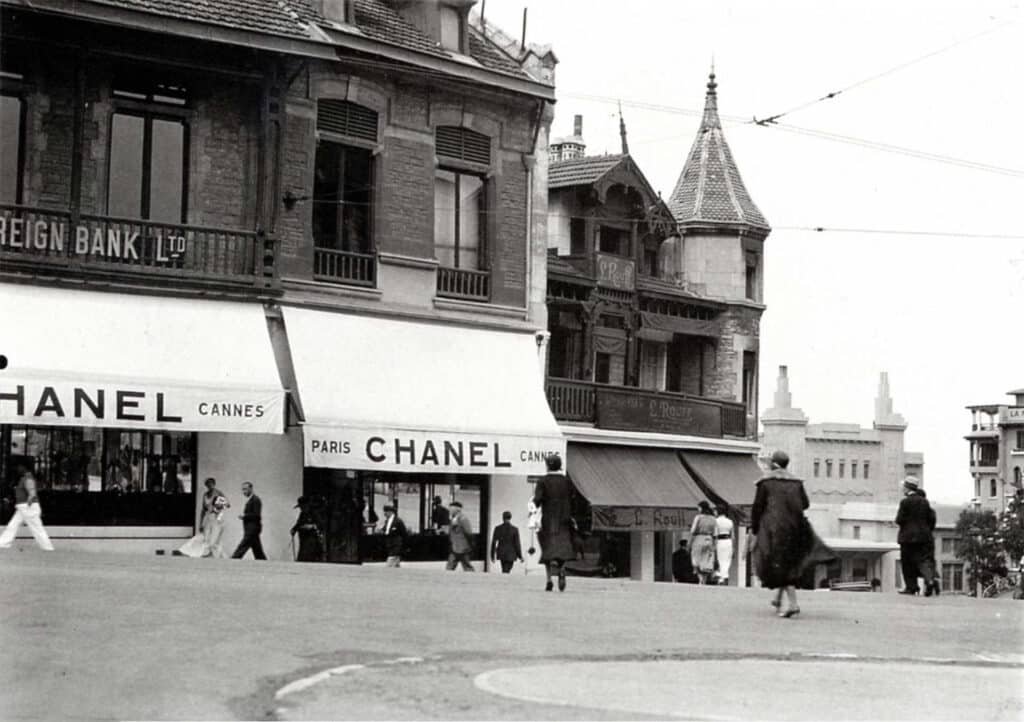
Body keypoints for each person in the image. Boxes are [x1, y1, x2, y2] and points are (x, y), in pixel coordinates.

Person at [751, 450, 829, 618]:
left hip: (774, 528)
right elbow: (805, 504)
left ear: (774, 464)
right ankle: (778, 598)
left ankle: (793, 604)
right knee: (785, 562)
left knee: (780, 563)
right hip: (795, 528)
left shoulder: (766, 482)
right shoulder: (796, 482)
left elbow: (757, 507)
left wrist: (756, 528)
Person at [532, 454, 576, 592]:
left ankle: (549, 579)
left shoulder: (543, 481)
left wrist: (532, 506)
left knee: (547, 549)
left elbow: (537, 499)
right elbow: (573, 497)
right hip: (564, 518)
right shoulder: (566, 481)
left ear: (548, 465)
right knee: (562, 548)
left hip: (549, 519)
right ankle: (562, 570)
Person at [895, 476, 939, 597]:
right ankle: (929, 580)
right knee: (922, 561)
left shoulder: (905, 502)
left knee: (907, 562)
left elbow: (899, 520)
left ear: (907, 488)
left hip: (908, 538)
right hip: (924, 537)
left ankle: (911, 587)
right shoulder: (925, 502)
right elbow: (930, 520)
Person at [0, 465, 55, 551]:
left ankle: (47, 547)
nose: (18, 469)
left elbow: (32, 493)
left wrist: (28, 505)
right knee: (12, 525)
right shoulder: (24, 478)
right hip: (23, 507)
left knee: (36, 528)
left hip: (28, 507)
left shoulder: (28, 478)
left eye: (20, 467)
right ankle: (3, 543)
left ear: (25, 468)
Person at [231, 482, 266, 560]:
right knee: (257, 549)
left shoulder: (256, 500)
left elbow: (257, 515)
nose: (244, 492)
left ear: (251, 489)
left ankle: (233, 560)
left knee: (243, 545)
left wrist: (244, 517)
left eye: (245, 489)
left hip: (253, 528)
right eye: (243, 490)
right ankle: (264, 562)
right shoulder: (251, 500)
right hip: (251, 528)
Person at [689, 501, 717, 584]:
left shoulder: (698, 517)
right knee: (706, 560)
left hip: (699, 538)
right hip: (709, 539)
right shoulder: (713, 518)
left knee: (696, 559)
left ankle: (700, 577)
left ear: (701, 508)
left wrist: (690, 542)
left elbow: (693, 530)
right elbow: (715, 533)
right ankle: (704, 579)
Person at [290, 496, 324, 562]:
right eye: (301, 507)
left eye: (303, 507)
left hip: (312, 539)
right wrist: (294, 529)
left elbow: (320, 524)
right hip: (303, 539)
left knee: (310, 556)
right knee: (302, 555)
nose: (301, 509)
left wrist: (312, 526)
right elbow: (299, 523)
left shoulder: (314, 513)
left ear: (307, 505)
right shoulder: (302, 514)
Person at [446, 501, 475, 571]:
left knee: (467, 566)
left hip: (463, 548)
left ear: (457, 509)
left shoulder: (463, 519)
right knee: (450, 566)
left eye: (451, 509)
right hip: (455, 547)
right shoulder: (453, 519)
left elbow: (469, 533)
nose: (449, 510)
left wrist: (471, 545)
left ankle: (472, 578)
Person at [381, 503, 407, 568]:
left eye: (386, 512)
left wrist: (402, 545)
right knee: (396, 565)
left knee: (389, 565)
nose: (384, 514)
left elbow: (404, 534)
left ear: (391, 512)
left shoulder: (398, 521)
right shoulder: (387, 521)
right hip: (390, 545)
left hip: (396, 545)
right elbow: (386, 531)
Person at [714, 506, 735, 585]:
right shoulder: (730, 521)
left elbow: (715, 534)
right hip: (728, 541)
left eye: (715, 511)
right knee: (727, 560)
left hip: (720, 541)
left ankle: (722, 576)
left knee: (721, 559)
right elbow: (733, 536)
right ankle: (724, 575)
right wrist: (733, 547)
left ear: (718, 512)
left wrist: (715, 545)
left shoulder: (716, 521)